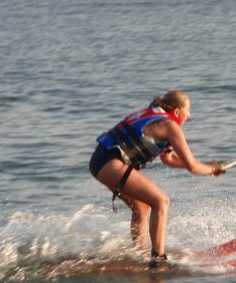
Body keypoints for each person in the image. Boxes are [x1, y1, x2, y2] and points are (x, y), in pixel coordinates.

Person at [89, 90, 225, 268]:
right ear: (177, 111)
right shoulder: (170, 126)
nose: (189, 115)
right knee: (161, 201)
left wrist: (208, 167)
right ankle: (158, 259)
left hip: (101, 161)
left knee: (141, 208)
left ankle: (139, 253)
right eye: (188, 110)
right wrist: (212, 168)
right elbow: (192, 166)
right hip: (110, 163)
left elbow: (169, 159)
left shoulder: (156, 118)